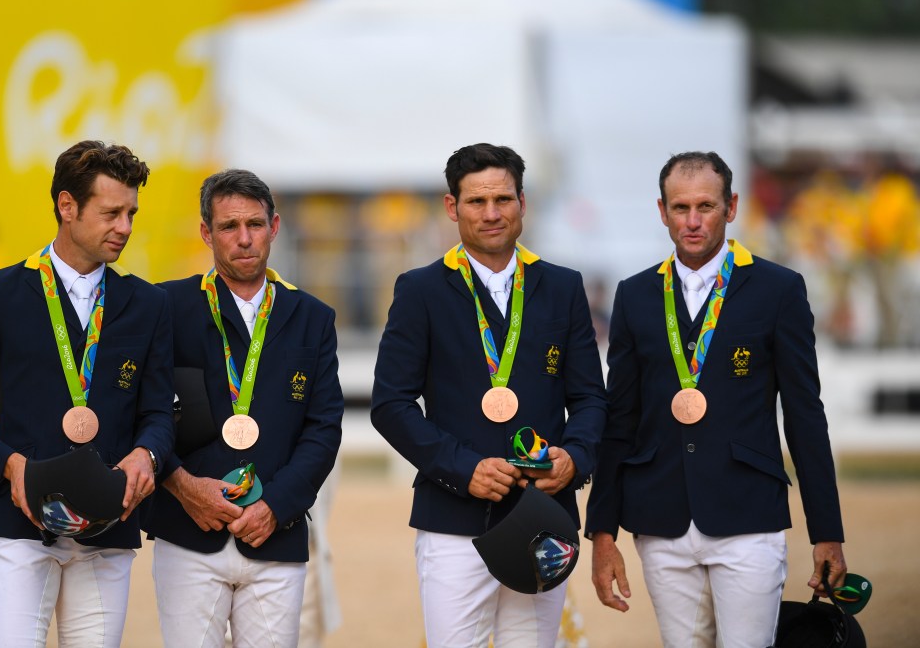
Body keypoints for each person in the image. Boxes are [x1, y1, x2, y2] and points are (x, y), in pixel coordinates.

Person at [586, 151, 847, 648]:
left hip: (747, 514)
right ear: (661, 211)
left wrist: (826, 531)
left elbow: (804, 415)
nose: (692, 220)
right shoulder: (636, 295)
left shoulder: (779, 289)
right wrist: (602, 532)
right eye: (679, 208)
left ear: (731, 207)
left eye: (705, 206)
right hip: (659, 519)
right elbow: (619, 418)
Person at [0, 140, 175, 647]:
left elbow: (159, 413)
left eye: (131, 213)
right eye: (111, 213)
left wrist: (146, 455)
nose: (125, 227)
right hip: (20, 528)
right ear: (67, 206)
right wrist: (10, 466)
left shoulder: (148, 303)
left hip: (110, 528)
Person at [371, 143, 606, 648]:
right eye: (477, 202)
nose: (492, 213)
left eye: (503, 198)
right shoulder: (420, 290)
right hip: (454, 521)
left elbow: (590, 398)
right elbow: (390, 404)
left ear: (523, 202)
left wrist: (576, 458)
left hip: (543, 514)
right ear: (452, 207)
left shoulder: (563, 287)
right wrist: (464, 469)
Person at [144, 169, 343, 648]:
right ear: (206, 233)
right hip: (189, 530)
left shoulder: (312, 317)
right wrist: (183, 486)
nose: (244, 238)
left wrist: (275, 506)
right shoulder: (166, 305)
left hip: (276, 533)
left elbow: (324, 429)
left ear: (275, 227)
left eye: (255, 224)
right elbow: (142, 412)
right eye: (229, 227)